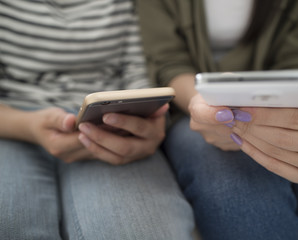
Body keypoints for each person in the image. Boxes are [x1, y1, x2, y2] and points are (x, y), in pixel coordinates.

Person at [136, 0, 298, 239]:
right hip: (193, 102)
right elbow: (168, 61)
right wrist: (206, 103)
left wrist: (285, 106)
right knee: (230, 183)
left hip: (294, 102)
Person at [0, 1, 195, 239]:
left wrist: (150, 120)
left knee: (140, 231)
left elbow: (138, 73)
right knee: (9, 221)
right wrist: (28, 126)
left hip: (110, 119)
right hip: (12, 120)